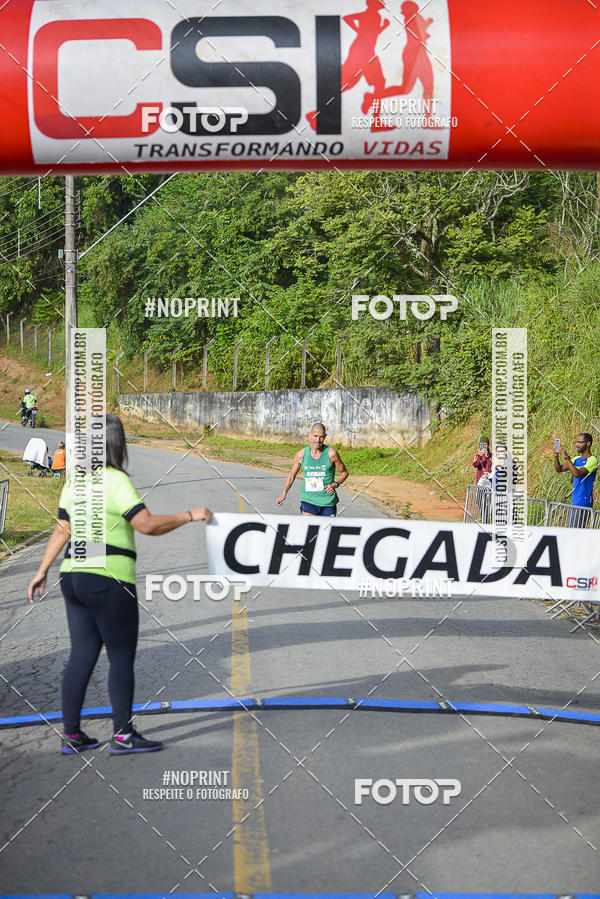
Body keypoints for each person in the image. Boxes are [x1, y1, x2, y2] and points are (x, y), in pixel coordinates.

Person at [27, 414, 212, 755]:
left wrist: (41, 570)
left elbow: (61, 530)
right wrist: (190, 515)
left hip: (73, 575)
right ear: (117, 444)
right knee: (120, 657)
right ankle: (123, 735)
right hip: (109, 578)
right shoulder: (115, 480)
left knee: (80, 655)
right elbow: (146, 525)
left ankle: (72, 735)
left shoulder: (75, 482)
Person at [276, 422, 348, 516]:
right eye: (315, 436)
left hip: (327, 500)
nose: (318, 440)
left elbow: (344, 473)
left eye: (321, 437)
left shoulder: (331, 454)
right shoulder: (301, 455)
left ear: (325, 437)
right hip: (308, 498)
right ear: (309, 435)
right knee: (311, 529)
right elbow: (291, 475)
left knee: (326, 530)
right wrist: (284, 493)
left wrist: (335, 484)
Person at [553, 432, 597, 527]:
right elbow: (559, 469)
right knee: (572, 529)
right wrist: (556, 456)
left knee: (578, 531)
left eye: (580, 442)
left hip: (584, 502)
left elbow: (577, 474)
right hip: (574, 501)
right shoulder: (576, 459)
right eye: (576, 442)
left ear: (588, 443)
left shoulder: (592, 459)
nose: (577, 444)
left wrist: (566, 457)